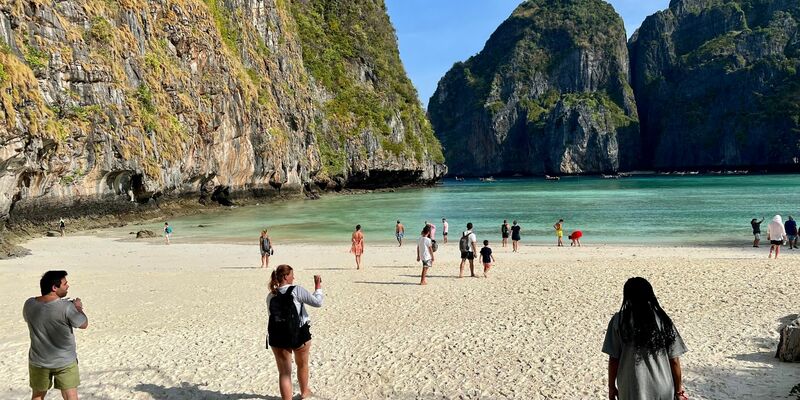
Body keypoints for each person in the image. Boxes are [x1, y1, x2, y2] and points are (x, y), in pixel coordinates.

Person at [602, 277, 688, 400]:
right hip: (662, 388)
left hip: (630, 387)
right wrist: (679, 390)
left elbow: (614, 358)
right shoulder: (663, 320)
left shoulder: (619, 321)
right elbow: (674, 360)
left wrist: (611, 387)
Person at [23, 270, 89, 400]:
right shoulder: (66, 308)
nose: (68, 286)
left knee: (37, 395)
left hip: (39, 360)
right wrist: (78, 307)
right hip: (64, 361)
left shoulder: (29, 304)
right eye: (65, 284)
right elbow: (83, 324)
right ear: (54, 287)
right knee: (71, 396)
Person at [267, 265, 323, 400]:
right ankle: (304, 392)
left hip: (277, 336)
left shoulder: (271, 295)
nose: (294, 277)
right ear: (286, 277)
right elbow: (317, 302)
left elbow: (272, 315)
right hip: (299, 335)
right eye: (292, 274)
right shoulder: (296, 290)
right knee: (302, 364)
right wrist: (318, 286)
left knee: (284, 373)